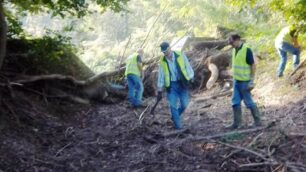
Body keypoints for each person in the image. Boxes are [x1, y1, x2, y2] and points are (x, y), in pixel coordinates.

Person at [157, 42, 194, 129]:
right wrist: (159, 90)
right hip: (171, 86)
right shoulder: (162, 60)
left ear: (170, 48)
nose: (165, 53)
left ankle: (174, 117)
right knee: (173, 105)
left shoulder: (180, 54)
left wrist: (191, 77)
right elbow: (161, 75)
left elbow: (187, 66)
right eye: (163, 52)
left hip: (182, 83)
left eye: (166, 51)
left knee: (184, 104)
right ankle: (179, 127)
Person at [227, 34, 261, 129]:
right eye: (230, 43)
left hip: (245, 82)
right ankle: (237, 123)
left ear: (237, 40)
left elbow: (253, 66)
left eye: (232, 42)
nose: (231, 45)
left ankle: (258, 121)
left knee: (248, 102)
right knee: (235, 102)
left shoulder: (246, 50)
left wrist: (252, 80)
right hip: (236, 81)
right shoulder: (234, 50)